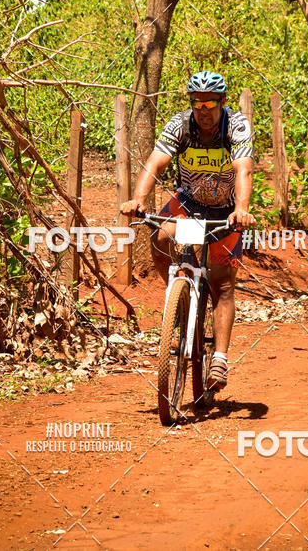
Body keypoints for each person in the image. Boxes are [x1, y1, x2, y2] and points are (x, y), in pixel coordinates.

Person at [120, 71, 256, 390]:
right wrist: (138, 200)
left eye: (209, 102)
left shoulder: (235, 126)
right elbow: (154, 163)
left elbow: (244, 170)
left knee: (222, 284)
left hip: (226, 209)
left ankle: (220, 358)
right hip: (189, 201)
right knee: (160, 235)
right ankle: (178, 298)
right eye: (196, 102)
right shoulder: (180, 124)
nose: (202, 109)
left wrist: (242, 209)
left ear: (222, 102)